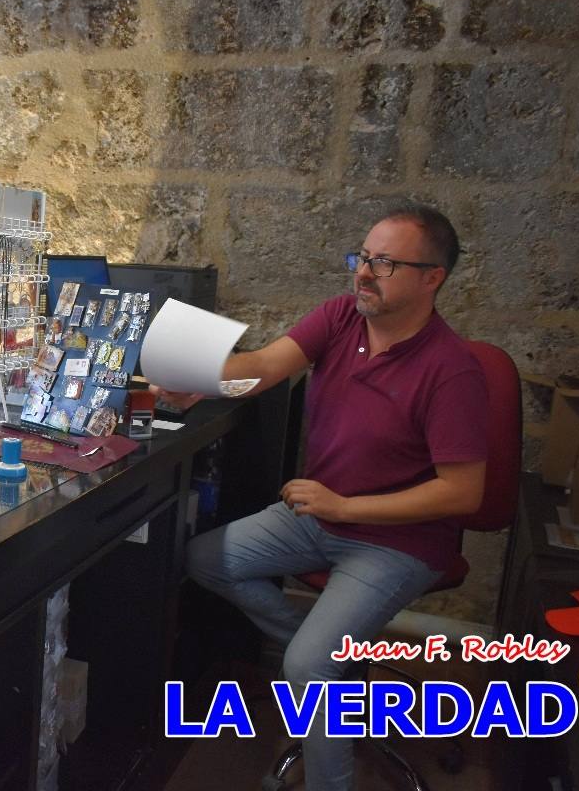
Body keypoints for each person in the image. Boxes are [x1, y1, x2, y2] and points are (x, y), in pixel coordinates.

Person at [179, 205, 487, 791]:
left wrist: (345, 508)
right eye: (364, 257)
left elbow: (463, 492)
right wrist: (201, 377)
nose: (365, 273)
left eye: (386, 263)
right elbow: (267, 366)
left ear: (432, 278)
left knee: (308, 667)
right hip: (318, 514)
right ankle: (321, 658)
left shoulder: (452, 371)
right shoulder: (342, 317)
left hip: (396, 542)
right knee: (204, 558)